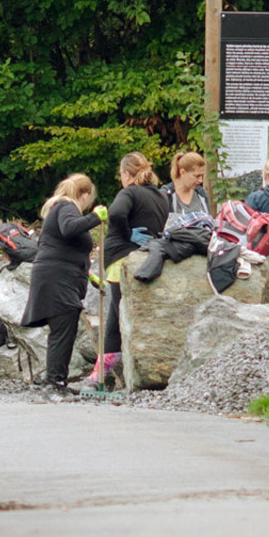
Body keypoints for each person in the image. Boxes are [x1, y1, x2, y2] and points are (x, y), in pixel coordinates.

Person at [21, 174, 107, 392]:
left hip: (57, 276)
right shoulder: (66, 207)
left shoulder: (59, 208)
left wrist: (87, 273)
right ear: (85, 195)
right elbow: (69, 228)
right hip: (57, 279)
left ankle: (55, 379)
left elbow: (63, 246)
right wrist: (95, 217)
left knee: (62, 329)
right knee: (63, 328)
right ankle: (55, 382)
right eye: (90, 200)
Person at [95, 152, 168, 384]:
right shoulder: (160, 195)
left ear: (127, 174)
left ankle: (103, 374)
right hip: (147, 258)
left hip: (121, 257)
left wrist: (127, 233)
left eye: (121, 175)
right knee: (118, 315)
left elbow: (116, 213)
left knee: (117, 316)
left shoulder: (129, 192)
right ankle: (104, 373)